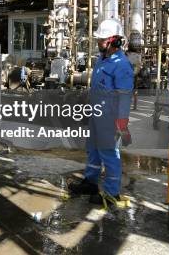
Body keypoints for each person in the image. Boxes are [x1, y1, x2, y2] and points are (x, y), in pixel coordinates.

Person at [68, 18, 134, 207]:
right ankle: (90, 182)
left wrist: (121, 125)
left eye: (102, 40)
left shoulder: (121, 65)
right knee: (93, 151)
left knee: (109, 154)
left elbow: (125, 98)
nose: (98, 43)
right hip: (96, 115)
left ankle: (112, 193)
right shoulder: (101, 60)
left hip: (110, 119)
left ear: (114, 41)